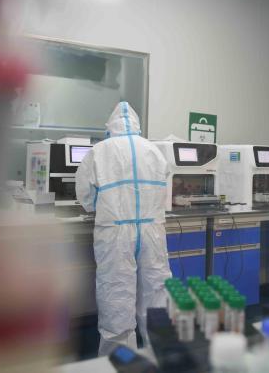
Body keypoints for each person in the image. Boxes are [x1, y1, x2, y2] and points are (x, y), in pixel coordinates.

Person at [76, 101, 172, 356]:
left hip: (116, 231)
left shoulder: (99, 151)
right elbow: (164, 181)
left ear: (111, 127)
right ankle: (161, 353)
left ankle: (120, 360)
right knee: (156, 291)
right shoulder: (153, 150)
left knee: (116, 294)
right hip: (152, 230)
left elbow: (85, 195)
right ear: (137, 126)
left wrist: (95, 206)